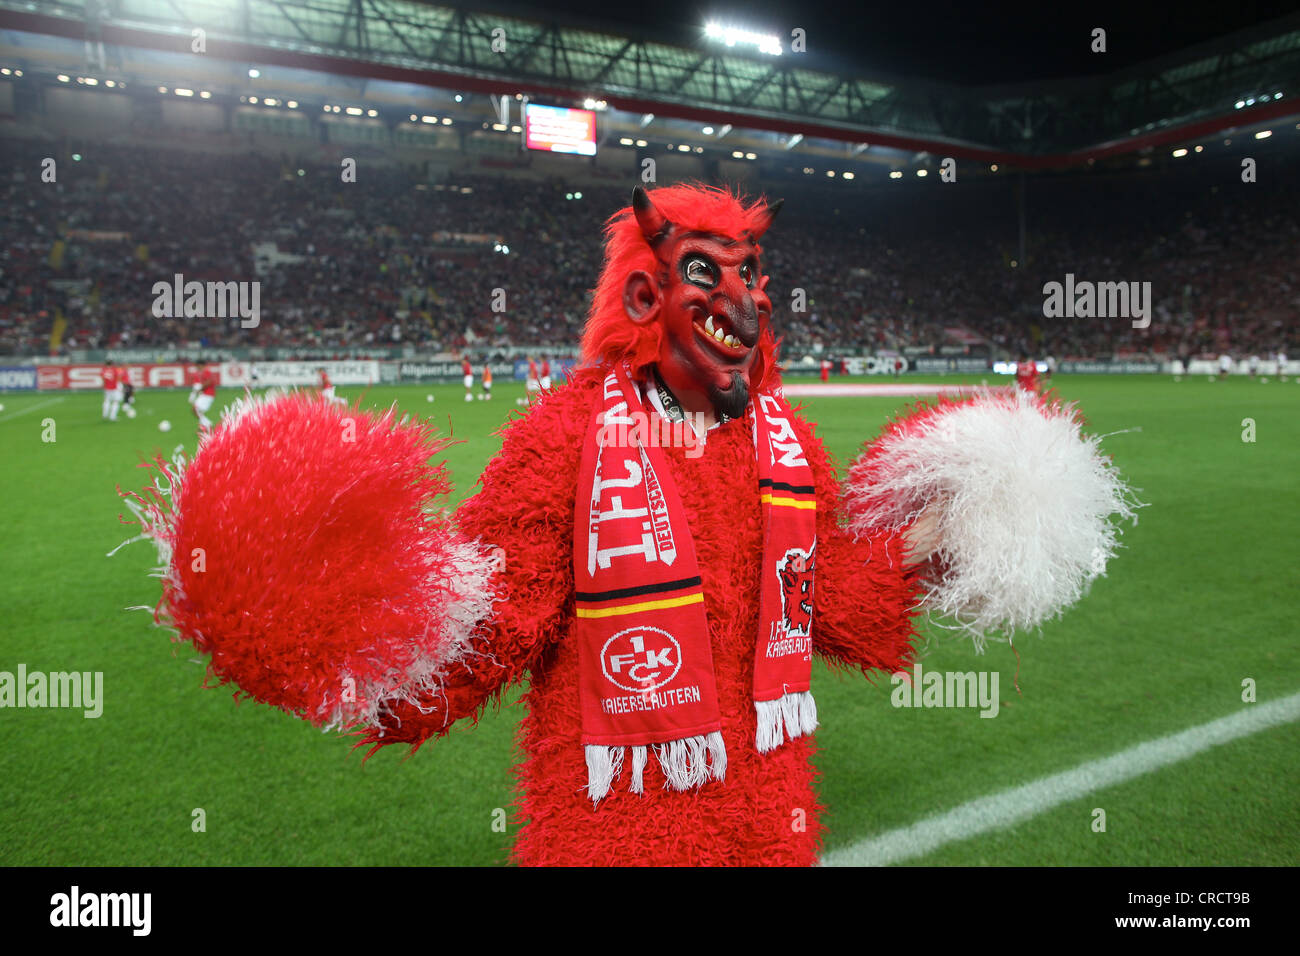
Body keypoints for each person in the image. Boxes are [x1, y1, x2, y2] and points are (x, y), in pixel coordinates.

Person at [127, 184, 1136, 867]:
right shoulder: (564, 437)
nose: (741, 294)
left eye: (750, 272)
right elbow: (491, 618)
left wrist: (946, 528)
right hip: (617, 827)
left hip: (770, 815)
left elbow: (819, 593)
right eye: (711, 272)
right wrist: (348, 627)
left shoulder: (781, 439)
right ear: (645, 293)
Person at [188, 361, 218, 433]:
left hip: (208, 394)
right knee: (198, 410)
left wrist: (200, 388)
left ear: (201, 365)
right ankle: (202, 427)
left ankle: (208, 424)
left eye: (197, 366)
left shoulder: (206, 372)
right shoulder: (203, 372)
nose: (197, 368)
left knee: (195, 409)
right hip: (205, 394)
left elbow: (210, 381)